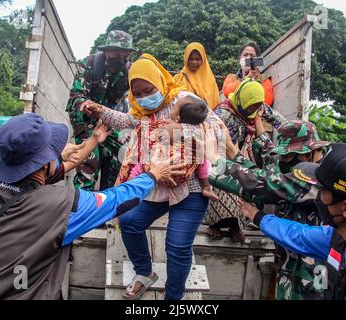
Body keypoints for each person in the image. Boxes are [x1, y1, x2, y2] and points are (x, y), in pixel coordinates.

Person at [0, 113, 180, 299]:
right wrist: (151, 176)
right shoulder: (62, 207)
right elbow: (116, 199)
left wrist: (89, 143)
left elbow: (44, 175)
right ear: (44, 162)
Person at [80, 53, 223, 300]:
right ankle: (144, 272)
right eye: (138, 93)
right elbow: (126, 119)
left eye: (149, 90)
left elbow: (215, 128)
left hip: (190, 187)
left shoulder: (183, 99)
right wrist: (100, 110)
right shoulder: (140, 107)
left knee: (177, 246)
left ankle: (173, 297)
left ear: (159, 80)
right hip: (156, 181)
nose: (145, 98)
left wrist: (177, 129)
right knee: (129, 222)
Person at [239, 143, 346, 300]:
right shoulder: (336, 238)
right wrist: (258, 216)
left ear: (345, 208)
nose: (318, 198)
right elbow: (296, 234)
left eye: (323, 191)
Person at [209, 120, 332, 300]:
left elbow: (264, 185)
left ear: (309, 154)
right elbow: (270, 178)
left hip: (313, 273)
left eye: (287, 157)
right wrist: (232, 150)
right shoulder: (298, 173)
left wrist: (211, 163)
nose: (281, 161)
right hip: (290, 263)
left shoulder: (315, 177)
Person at [205, 79, 285, 242]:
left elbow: (280, 122)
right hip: (221, 153)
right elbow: (212, 139)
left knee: (246, 187)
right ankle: (215, 224)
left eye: (257, 106)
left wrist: (291, 135)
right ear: (241, 99)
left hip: (241, 153)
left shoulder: (258, 106)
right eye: (251, 106)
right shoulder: (223, 113)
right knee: (222, 190)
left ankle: (236, 225)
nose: (254, 110)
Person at [67, 30, 135, 191]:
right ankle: (81, 203)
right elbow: (76, 94)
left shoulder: (131, 71)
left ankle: (107, 200)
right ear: (105, 51)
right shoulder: (89, 64)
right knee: (89, 160)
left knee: (120, 155)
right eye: (116, 52)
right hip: (85, 117)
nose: (120, 57)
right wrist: (86, 105)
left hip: (108, 117)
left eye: (124, 54)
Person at [129, 95, 219, 202]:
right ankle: (206, 187)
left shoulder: (170, 127)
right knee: (201, 158)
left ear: (178, 118)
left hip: (162, 172)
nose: (172, 108)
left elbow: (157, 140)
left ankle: (131, 181)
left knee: (147, 158)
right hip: (182, 177)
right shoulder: (198, 133)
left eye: (174, 108)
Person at [173, 42, 220, 109]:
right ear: (186, 59)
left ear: (203, 60)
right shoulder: (178, 79)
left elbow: (215, 102)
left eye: (197, 59)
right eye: (191, 59)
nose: (194, 62)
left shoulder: (210, 80)